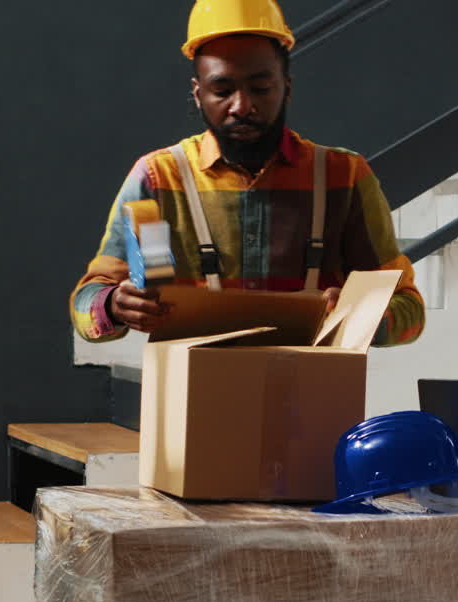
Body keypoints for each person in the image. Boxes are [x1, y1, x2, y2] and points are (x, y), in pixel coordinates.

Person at [70, 0, 424, 345]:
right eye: (222, 90)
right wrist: (114, 306)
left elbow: (409, 310)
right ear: (198, 95)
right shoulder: (157, 179)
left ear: (287, 88)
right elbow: (86, 307)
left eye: (261, 88)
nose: (242, 106)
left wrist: (361, 314)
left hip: (309, 397)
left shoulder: (344, 177)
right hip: (193, 397)